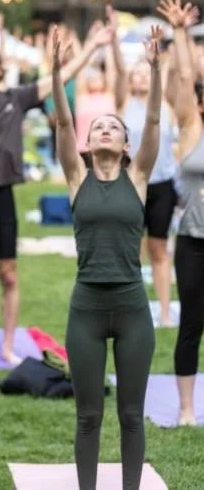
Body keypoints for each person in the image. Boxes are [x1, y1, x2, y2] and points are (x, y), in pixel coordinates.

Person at [0, 15, 115, 366]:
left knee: (8, 275)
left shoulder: (16, 98)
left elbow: (60, 78)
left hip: (1, 195)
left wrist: (93, 46)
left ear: (0, 69)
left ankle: (7, 346)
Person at [52, 24, 162, 490]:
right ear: (88, 140)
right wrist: (56, 73)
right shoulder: (76, 178)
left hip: (132, 306)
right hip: (87, 308)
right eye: (98, 126)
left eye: (113, 127)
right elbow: (62, 123)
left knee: (132, 415)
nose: (104, 129)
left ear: (125, 145)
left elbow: (153, 121)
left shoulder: (137, 179)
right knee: (88, 416)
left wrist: (155, 71)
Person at [111, 5, 180, 327]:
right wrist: (113, 37)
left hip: (162, 184)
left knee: (159, 249)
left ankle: (165, 311)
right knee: (131, 251)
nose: (139, 77)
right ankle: (131, 309)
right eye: (135, 74)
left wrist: (165, 52)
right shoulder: (124, 104)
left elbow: (174, 73)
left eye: (144, 73)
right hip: (132, 184)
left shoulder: (164, 104)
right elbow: (117, 70)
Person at [157, 0, 204, 426]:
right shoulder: (192, 127)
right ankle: (187, 407)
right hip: (193, 242)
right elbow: (186, 77)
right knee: (192, 324)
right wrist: (179, 32)